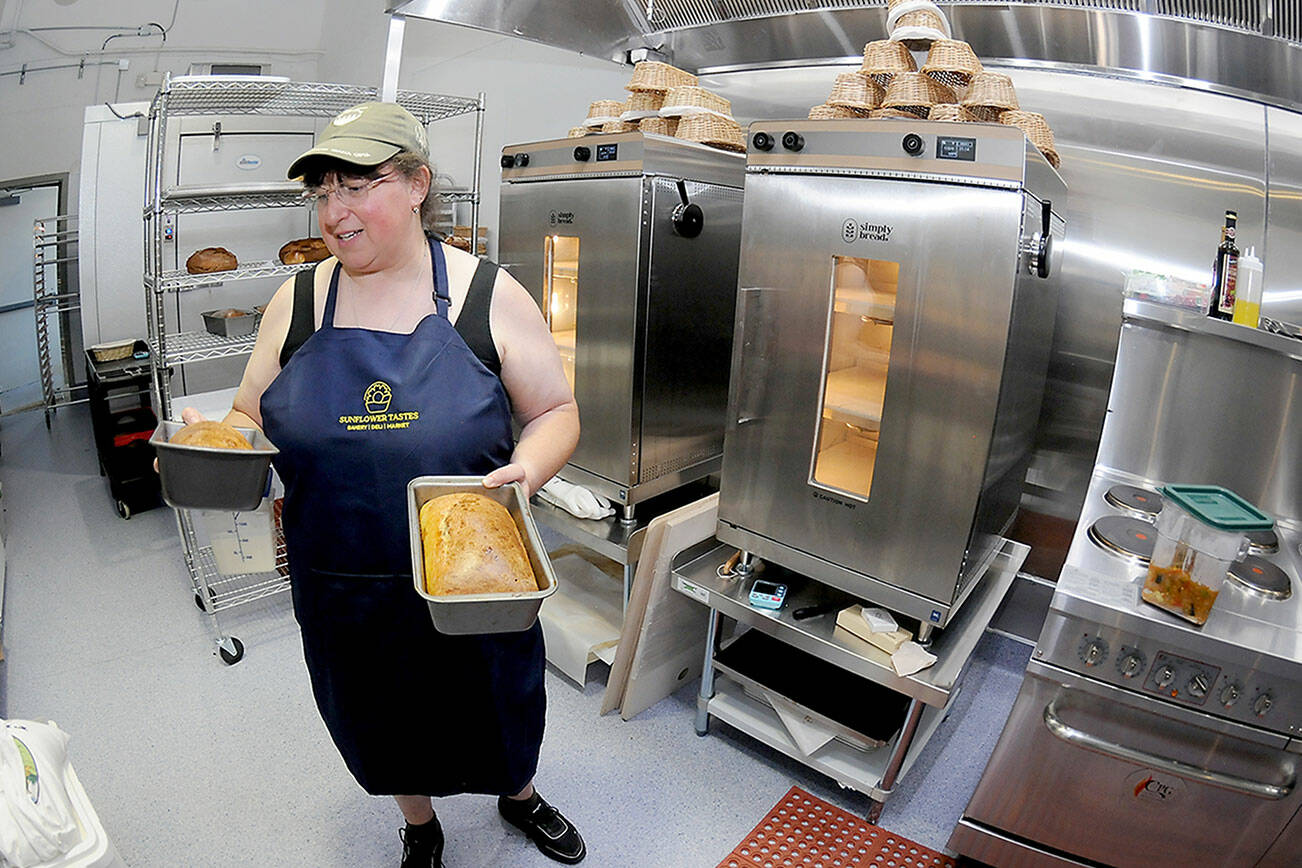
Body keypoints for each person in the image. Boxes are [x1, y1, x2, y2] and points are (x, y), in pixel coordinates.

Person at [186, 101, 583, 866]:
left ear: (415, 186)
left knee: (497, 700)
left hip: (473, 578)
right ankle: (420, 824)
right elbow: (247, 412)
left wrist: (529, 470)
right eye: (324, 191)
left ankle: (520, 795)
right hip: (340, 578)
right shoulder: (297, 301)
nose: (336, 212)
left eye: (358, 186)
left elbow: (557, 411)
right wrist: (210, 446)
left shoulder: (485, 295)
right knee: (375, 711)